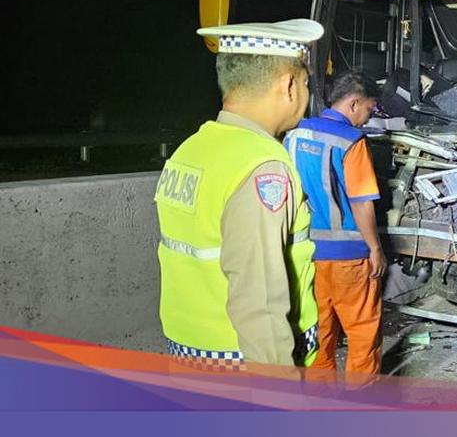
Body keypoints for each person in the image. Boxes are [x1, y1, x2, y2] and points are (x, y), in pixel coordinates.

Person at [155, 19, 323, 369]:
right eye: (306, 84)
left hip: (189, 353)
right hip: (245, 365)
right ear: (289, 85)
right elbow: (259, 302)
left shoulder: (191, 150)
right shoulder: (262, 166)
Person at [284, 70, 385, 384]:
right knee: (362, 332)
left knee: (318, 332)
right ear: (354, 103)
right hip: (348, 257)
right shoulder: (351, 141)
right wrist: (375, 249)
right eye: (369, 108)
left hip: (304, 253)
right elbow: (361, 202)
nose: (367, 117)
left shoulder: (293, 134)